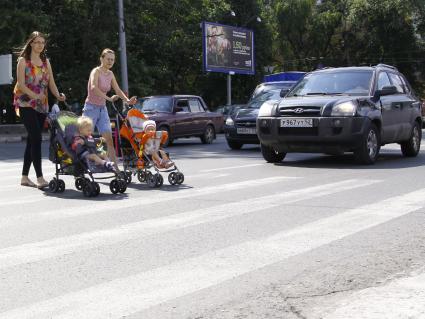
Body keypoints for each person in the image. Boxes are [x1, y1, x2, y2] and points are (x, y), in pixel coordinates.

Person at [13, 31, 66, 189]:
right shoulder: (23, 61)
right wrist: (34, 95)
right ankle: (40, 177)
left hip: (42, 105)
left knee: (32, 140)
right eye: (37, 42)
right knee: (36, 138)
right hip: (25, 103)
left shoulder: (46, 62)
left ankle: (24, 177)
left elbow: (52, 83)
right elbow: (21, 84)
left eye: (42, 42)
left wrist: (58, 95)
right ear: (31, 43)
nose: (40, 45)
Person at [83, 48, 137, 171]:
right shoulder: (96, 71)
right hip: (90, 108)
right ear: (101, 59)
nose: (110, 61)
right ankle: (83, 166)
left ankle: (116, 169)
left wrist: (127, 101)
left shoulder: (110, 74)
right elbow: (93, 88)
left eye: (112, 60)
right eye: (108, 59)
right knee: (86, 139)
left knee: (109, 141)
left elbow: (117, 90)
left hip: (102, 109)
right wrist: (108, 98)